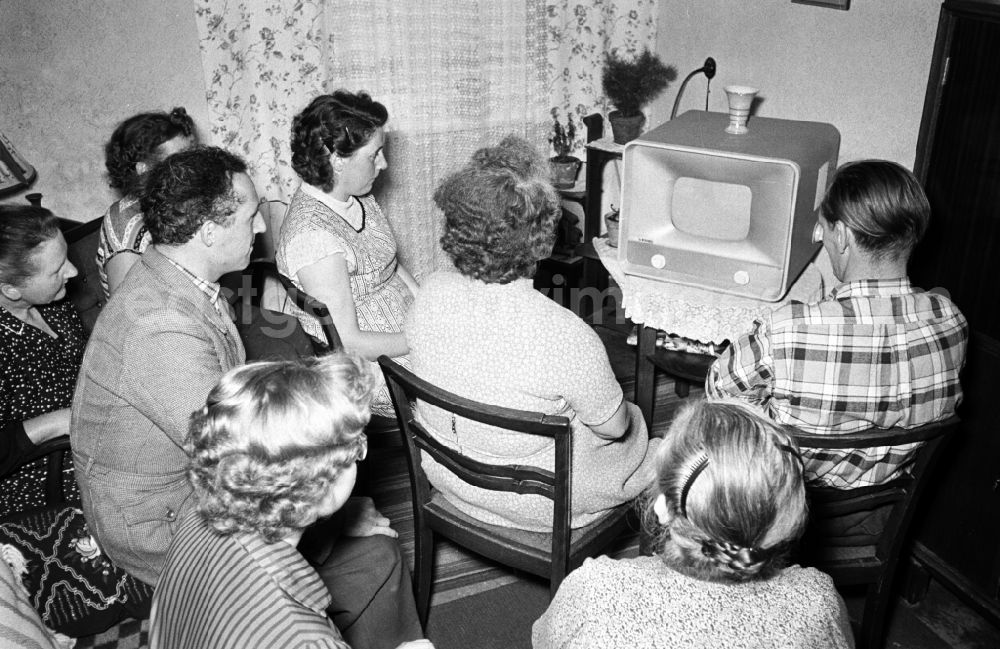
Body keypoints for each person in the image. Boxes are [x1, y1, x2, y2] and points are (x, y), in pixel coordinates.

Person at [72, 147, 421, 649]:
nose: (260, 227)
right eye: (250, 213)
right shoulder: (160, 328)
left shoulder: (171, 280)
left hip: (192, 491)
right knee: (376, 556)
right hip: (167, 526)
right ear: (209, 230)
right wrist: (332, 514)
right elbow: (243, 459)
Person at [405, 135, 657, 531]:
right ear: (542, 240)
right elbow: (615, 428)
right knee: (637, 427)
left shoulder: (430, 291)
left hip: (450, 479)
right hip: (536, 505)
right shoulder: (565, 333)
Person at [706, 160, 968, 490]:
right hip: (879, 503)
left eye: (824, 226)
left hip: (791, 500)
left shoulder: (788, 330)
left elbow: (718, 397)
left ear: (842, 235)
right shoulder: (952, 320)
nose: (819, 235)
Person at [150, 356, 432, 649]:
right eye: (355, 449)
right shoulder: (308, 641)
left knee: (379, 553)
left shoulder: (198, 519)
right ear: (322, 489)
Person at [532, 399, 854, 649]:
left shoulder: (594, 591)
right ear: (788, 520)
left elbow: (543, 640)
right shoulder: (818, 605)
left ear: (661, 508)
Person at [276, 91, 418, 416]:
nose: (383, 164)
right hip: (375, 368)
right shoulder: (313, 238)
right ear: (337, 159)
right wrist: (423, 335)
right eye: (374, 155)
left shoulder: (356, 195)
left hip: (403, 333)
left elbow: (389, 263)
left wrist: (427, 305)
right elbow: (351, 343)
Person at [0, 205, 82, 515]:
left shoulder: (54, 303)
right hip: (39, 476)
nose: (73, 271)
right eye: (58, 268)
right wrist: (60, 421)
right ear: (11, 290)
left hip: (89, 435)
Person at [97, 107, 197, 298]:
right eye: (180, 161)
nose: (195, 168)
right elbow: (130, 314)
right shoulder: (127, 230)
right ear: (144, 169)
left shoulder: (180, 200)